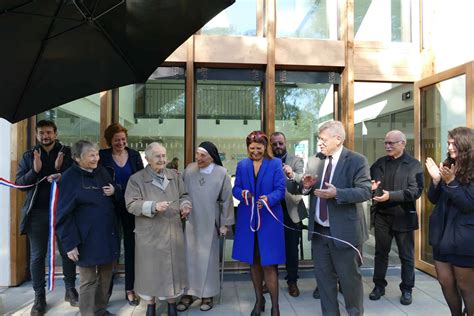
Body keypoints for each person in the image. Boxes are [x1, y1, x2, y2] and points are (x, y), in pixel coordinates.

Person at [300, 120, 371, 316]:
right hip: (319, 233)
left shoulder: (357, 160)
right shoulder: (314, 160)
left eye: (323, 139)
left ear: (338, 139)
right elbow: (305, 188)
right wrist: (305, 186)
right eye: (318, 139)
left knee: (350, 283)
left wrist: (337, 193)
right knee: (325, 284)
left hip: (344, 234)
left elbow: (365, 191)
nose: (320, 143)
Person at [15, 120, 78, 315]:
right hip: (37, 214)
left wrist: (62, 170)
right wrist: (34, 170)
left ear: (56, 133)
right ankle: (39, 297)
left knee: (68, 251)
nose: (45, 136)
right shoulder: (29, 155)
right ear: (36, 135)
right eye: (41, 133)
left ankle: (70, 289)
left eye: (49, 132)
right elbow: (19, 184)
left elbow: (77, 178)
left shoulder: (66, 153)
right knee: (37, 256)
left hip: (63, 212)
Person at [124, 142, 192, 316]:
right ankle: (151, 305)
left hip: (172, 232)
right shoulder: (136, 179)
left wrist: (185, 206)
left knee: (172, 271)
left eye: (163, 155)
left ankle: (171, 304)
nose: (162, 160)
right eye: (157, 156)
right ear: (147, 159)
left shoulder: (174, 176)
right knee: (150, 271)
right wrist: (153, 206)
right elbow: (131, 204)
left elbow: (184, 195)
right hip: (149, 235)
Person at [56, 140, 120, 316]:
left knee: (106, 277)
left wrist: (115, 190)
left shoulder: (102, 171)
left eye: (97, 154)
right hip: (85, 239)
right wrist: (69, 244)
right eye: (91, 155)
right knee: (88, 280)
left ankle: (100, 311)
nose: (96, 158)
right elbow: (62, 215)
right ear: (77, 158)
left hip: (107, 234)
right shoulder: (69, 178)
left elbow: (115, 191)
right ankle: (87, 314)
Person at [232, 130, 286, 316]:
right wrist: (243, 194)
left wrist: (268, 199)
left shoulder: (275, 164)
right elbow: (236, 188)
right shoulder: (242, 165)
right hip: (248, 219)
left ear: (265, 147)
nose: (255, 151)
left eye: (259, 148)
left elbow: (280, 189)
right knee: (253, 262)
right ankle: (258, 301)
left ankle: (276, 307)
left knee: (269, 264)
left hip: (269, 220)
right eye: (252, 148)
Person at [368, 130, 423, 305]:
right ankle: (379, 286)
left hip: (403, 216)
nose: (388, 146)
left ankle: (407, 289)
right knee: (380, 253)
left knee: (406, 255)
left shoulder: (413, 165)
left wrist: (391, 196)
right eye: (386, 143)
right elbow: (367, 182)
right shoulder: (379, 163)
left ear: (403, 143)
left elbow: (416, 191)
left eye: (391, 143)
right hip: (382, 216)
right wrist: (370, 187)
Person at [178, 141, 235, 312]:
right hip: (190, 220)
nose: (198, 158)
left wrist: (225, 224)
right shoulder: (189, 170)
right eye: (197, 154)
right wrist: (183, 205)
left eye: (203, 155)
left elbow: (227, 200)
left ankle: (207, 295)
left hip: (212, 221)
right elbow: (181, 192)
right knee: (188, 258)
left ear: (212, 157)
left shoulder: (221, 173)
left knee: (209, 260)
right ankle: (188, 294)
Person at [425, 126, 474, 316]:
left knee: (466, 287)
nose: (449, 147)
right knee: (445, 282)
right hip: (442, 235)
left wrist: (452, 182)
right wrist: (437, 181)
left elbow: (468, 204)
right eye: (448, 143)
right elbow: (434, 199)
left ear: (466, 145)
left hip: (465, 238)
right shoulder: (446, 164)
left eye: (454, 143)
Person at [99, 123, 144, 306]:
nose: (121, 143)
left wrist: (118, 190)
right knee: (111, 249)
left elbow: (141, 182)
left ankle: (130, 289)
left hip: (131, 208)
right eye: (117, 140)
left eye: (123, 139)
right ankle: (105, 292)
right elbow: (99, 180)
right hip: (109, 209)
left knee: (132, 249)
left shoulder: (134, 155)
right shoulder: (102, 156)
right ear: (110, 141)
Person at [269, 132, 307, 297]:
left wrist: (291, 174)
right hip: (271, 211)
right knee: (272, 248)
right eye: (274, 144)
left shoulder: (296, 161)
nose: (278, 146)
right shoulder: (267, 162)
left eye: (280, 143)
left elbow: (303, 183)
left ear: (285, 143)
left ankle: (292, 281)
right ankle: (270, 281)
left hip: (291, 210)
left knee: (292, 249)